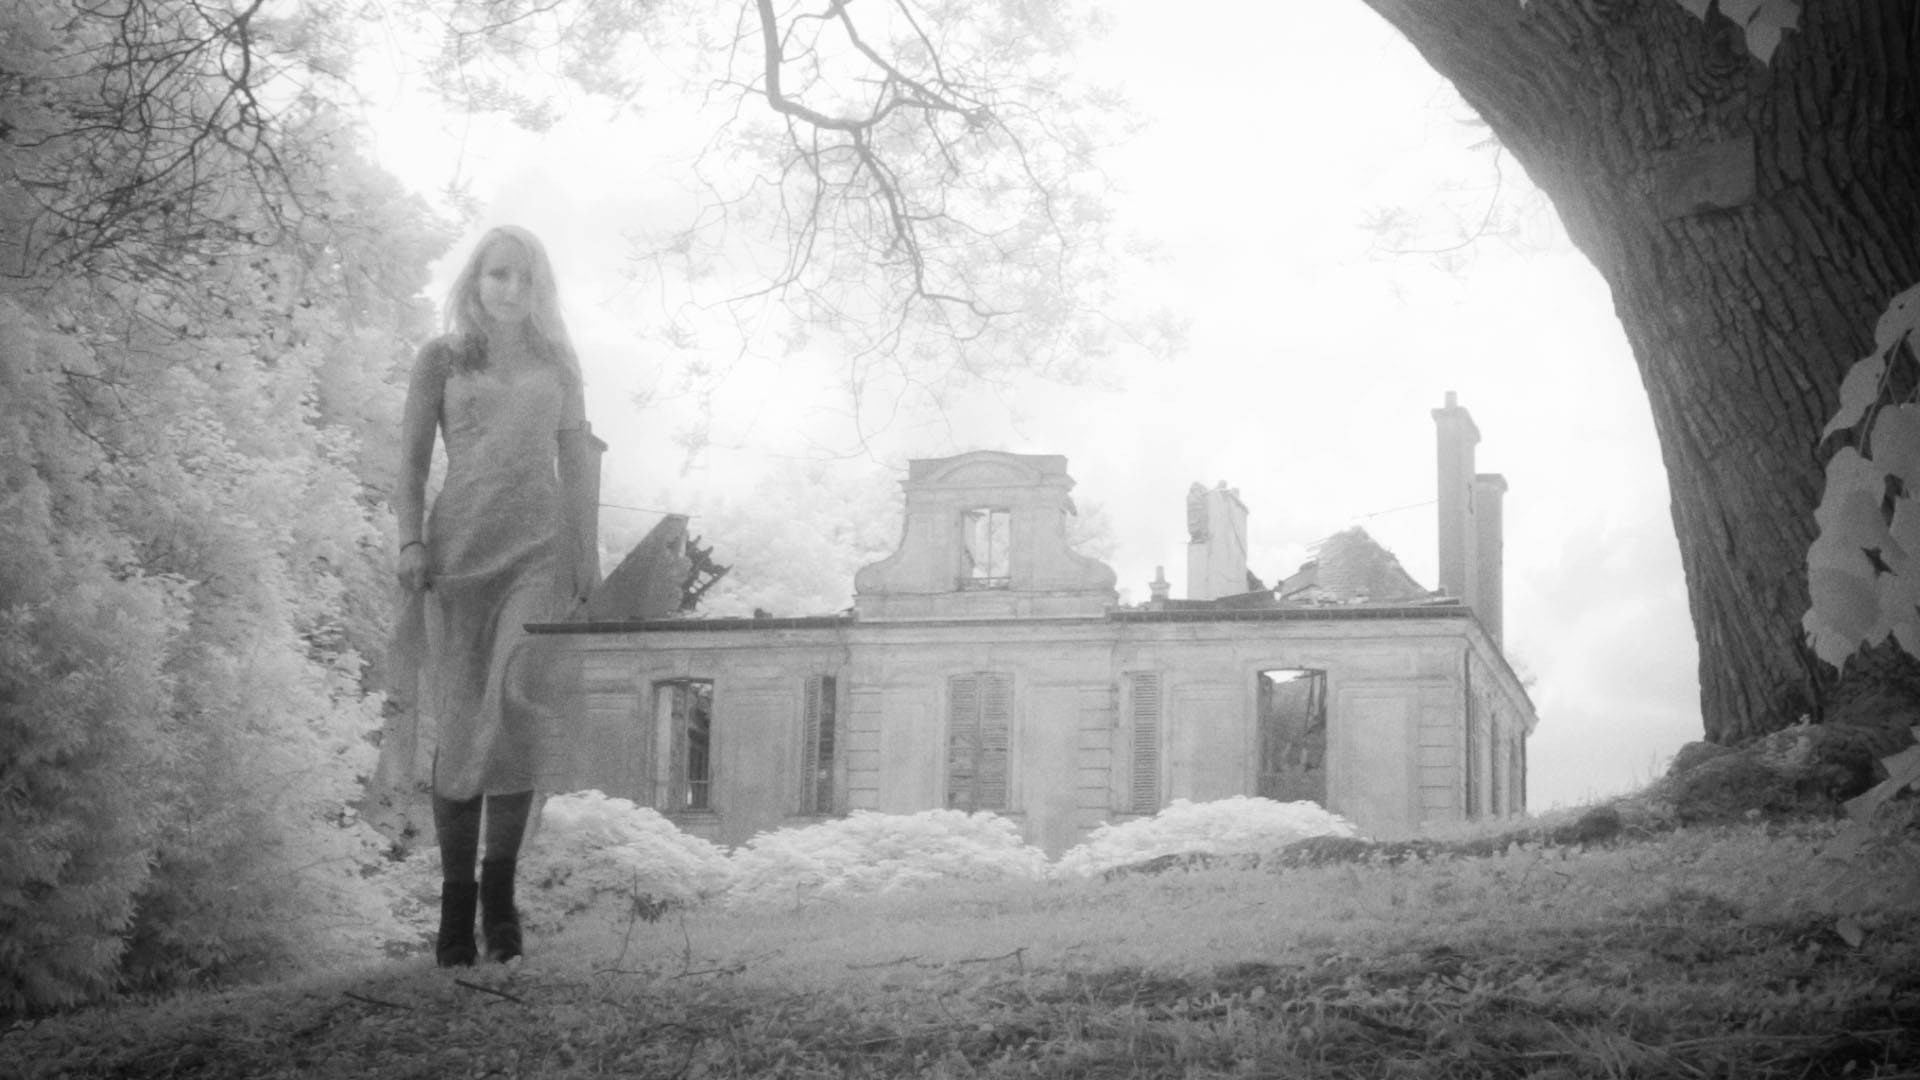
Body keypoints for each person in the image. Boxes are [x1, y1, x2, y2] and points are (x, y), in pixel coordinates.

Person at [387, 226, 594, 966]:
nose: (512, 289)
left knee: (514, 715)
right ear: (475, 280)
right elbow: (412, 463)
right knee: (463, 723)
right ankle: (455, 911)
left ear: (541, 290)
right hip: (458, 553)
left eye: (525, 278)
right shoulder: (441, 359)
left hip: (539, 552)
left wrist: (586, 559)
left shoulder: (559, 361)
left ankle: (500, 899)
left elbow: (578, 462)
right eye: (499, 275)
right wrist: (410, 542)